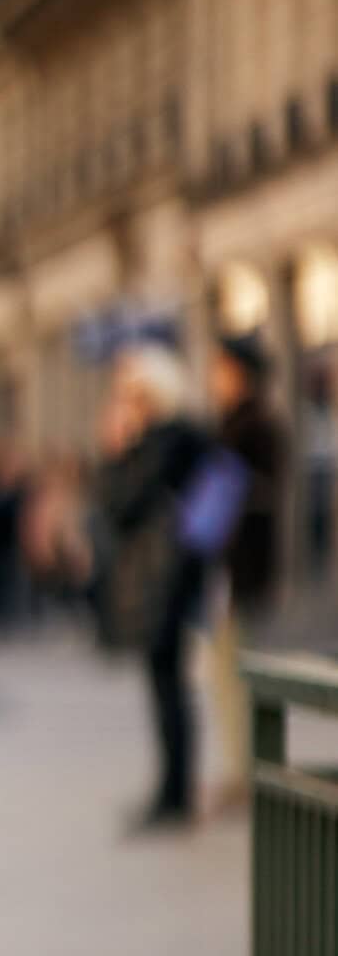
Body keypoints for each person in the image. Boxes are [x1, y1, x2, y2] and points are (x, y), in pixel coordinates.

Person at [96, 343, 211, 831]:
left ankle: (175, 795)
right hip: (168, 578)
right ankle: (172, 790)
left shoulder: (165, 442)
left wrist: (117, 450)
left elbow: (120, 503)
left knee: (169, 687)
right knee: (166, 686)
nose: (126, 405)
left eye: (134, 396)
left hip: (164, 581)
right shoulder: (182, 438)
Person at [204, 331, 285, 808]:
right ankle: (239, 768)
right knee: (225, 669)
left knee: (240, 669)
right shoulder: (235, 424)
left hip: (243, 568)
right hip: (230, 567)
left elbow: (256, 501)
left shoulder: (254, 427)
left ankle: (248, 771)